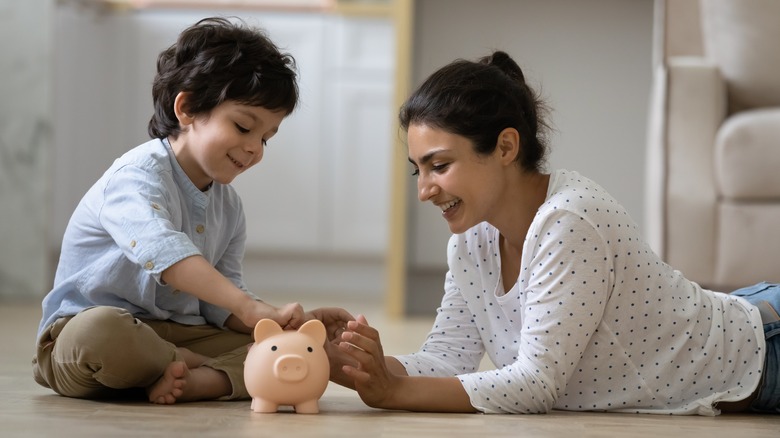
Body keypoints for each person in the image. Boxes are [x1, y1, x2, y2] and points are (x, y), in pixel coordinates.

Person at [330, 51, 780, 415]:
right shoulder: (471, 242)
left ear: (506, 147)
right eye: (418, 171)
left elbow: (534, 385)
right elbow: (445, 360)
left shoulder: (571, 220)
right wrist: (339, 360)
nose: (425, 190)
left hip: (766, 350)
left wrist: (393, 393)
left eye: (440, 165)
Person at [33, 17, 352, 405]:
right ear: (186, 109)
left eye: (266, 138)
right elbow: (164, 252)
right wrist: (247, 305)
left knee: (279, 347)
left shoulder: (229, 206)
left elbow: (219, 301)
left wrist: (276, 324)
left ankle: (196, 380)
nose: (255, 149)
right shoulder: (135, 177)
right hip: (88, 335)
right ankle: (195, 367)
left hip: (180, 330)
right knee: (99, 332)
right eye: (242, 127)